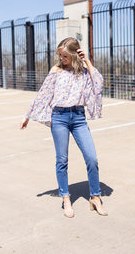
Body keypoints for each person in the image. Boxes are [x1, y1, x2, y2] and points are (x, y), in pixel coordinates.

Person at [20, 37, 107, 218]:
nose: (61, 58)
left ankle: (95, 197)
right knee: (62, 160)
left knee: (92, 158)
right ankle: (65, 198)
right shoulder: (56, 70)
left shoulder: (84, 72)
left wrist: (88, 62)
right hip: (59, 117)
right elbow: (43, 94)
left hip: (78, 117)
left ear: (75, 54)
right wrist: (27, 115)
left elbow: (98, 85)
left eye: (65, 55)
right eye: (60, 55)